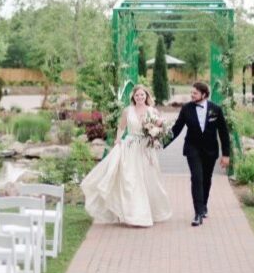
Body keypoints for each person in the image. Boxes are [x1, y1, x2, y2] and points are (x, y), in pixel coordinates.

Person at [81, 85, 172, 227]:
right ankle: (133, 215)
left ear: (146, 96)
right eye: (137, 95)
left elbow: (159, 127)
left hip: (146, 148)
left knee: (148, 179)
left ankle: (150, 211)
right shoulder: (127, 111)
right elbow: (122, 127)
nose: (140, 97)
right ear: (133, 97)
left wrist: (156, 134)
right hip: (131, 147)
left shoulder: (152, 111)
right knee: (131, 180)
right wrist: (118, 139)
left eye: (142, 95)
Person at [167, 81, 230, 227]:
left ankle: (203, 205)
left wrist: (226, 154)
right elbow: (176, 129)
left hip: (210, 150)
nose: (192, 95)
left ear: (204, 94)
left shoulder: (216, 109)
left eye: (195, 93)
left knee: (206, 179)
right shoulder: (186, 109)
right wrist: (161, 143)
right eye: (191, 92)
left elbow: (223, 132)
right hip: (192, 148)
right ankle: (198, 213)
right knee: (196, 178)